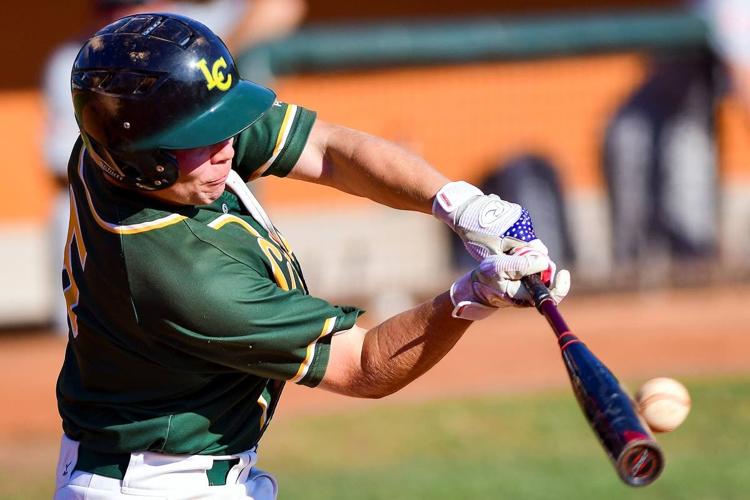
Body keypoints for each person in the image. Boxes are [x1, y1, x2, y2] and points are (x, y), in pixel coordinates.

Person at [53, 13, 570, 499]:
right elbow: (363, 364)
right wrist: (472, 296)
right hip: (160, 485)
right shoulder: (184, 274)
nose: (227, 148)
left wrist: (460, 204)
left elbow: (326, 148)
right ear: (142, 159)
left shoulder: (116, 151)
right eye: (202, 138)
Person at [43, 0, 306, 334]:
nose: (118, 15)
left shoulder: (184, 28)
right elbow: (58, 163)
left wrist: (194, 71)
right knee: (85, 338)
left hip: (193, 198)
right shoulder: (75, 63)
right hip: (110, 215)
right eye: (107, 8)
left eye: (131, 4)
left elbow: (281, 7)